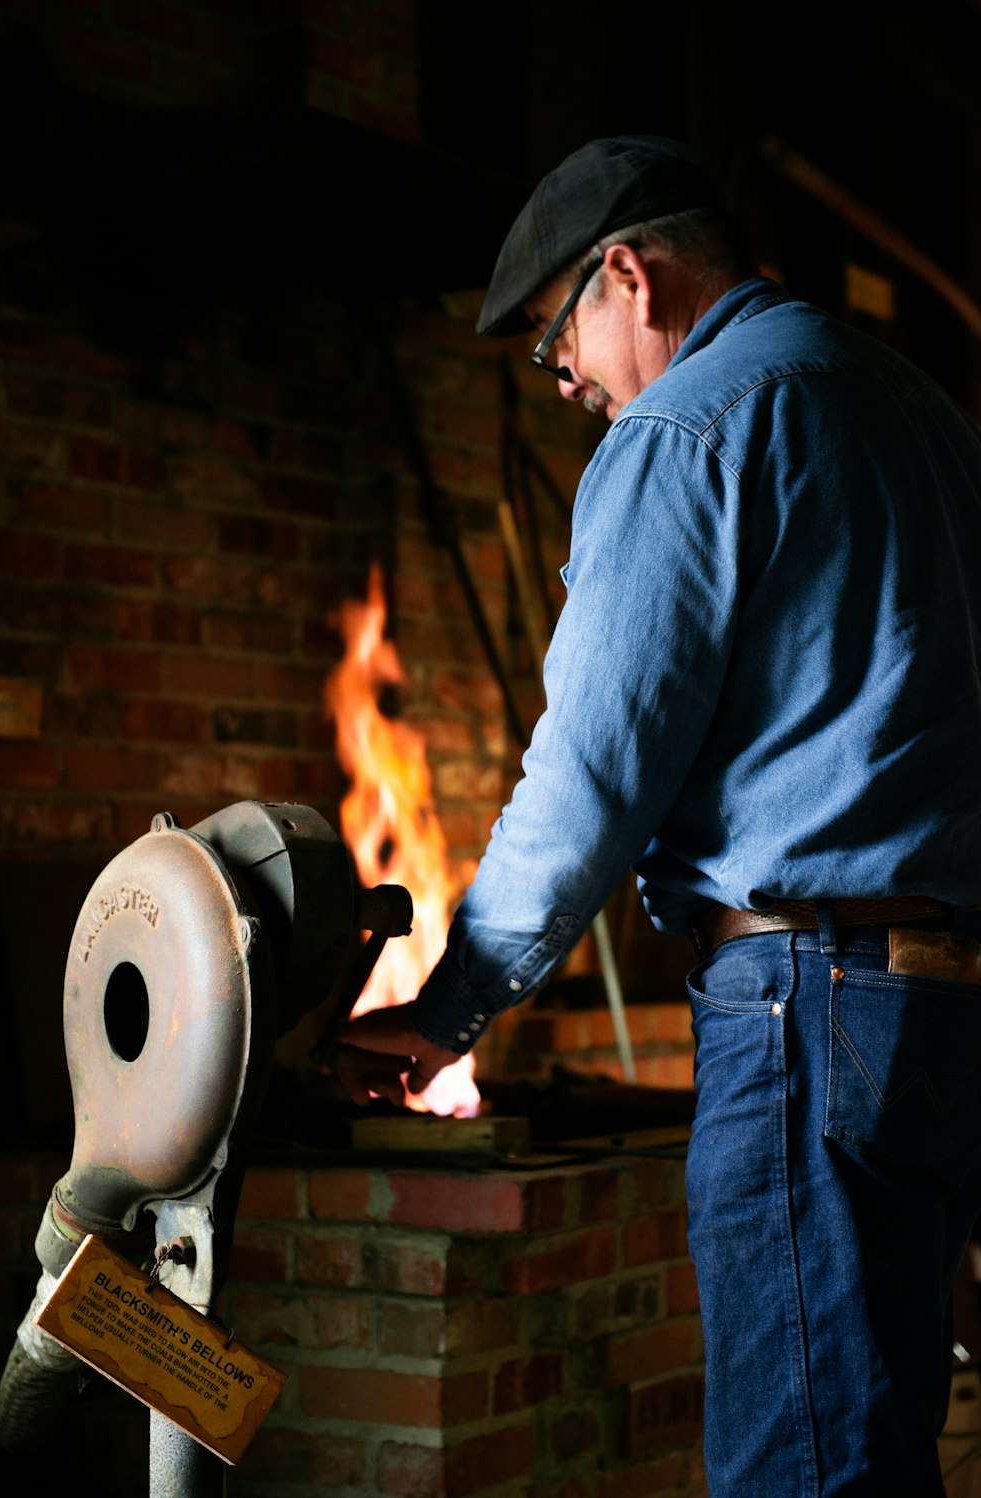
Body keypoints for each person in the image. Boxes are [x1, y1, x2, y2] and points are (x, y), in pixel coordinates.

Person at [331, 135, 981, 1495]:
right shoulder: (921, 404)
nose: (564, 383)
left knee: (805, 1464)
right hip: (941, 1004)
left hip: (805, 1000)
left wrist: (448, 1007)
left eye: (556, 345)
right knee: (884, 1439)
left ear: (627, 274)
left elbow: (591, 772)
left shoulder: (685, 427)